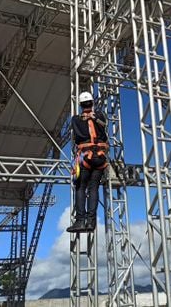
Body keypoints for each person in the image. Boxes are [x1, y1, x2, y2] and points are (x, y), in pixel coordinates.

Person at [66, 91, 109, 233]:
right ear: (92, 102)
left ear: (80, 104)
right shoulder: (100, 116)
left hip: (85, 156)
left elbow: (77, 137)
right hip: (100, 157)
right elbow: (104, 129)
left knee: (80, 188)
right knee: (93, 188)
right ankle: (91, 222)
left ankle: (80, 222)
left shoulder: (76, 119)